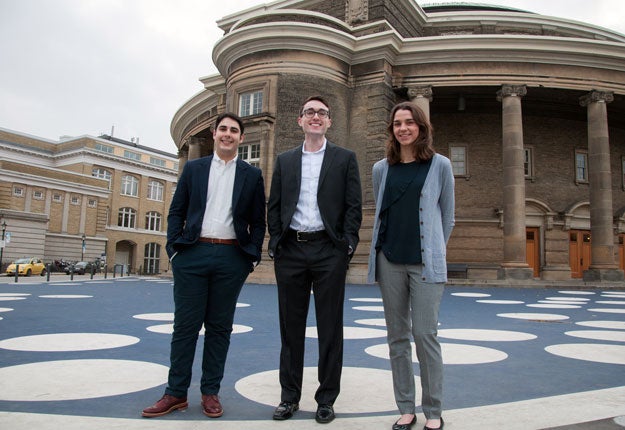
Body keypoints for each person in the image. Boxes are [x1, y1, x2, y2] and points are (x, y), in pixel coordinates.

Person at [142, 112, 266, 419]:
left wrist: (250, 257)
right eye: (223, 129)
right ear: (214, 133)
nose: (228, 134)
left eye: (234, 131)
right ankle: (175, 393)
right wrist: (174, 250)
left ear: (241, 138)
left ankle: (210, 392)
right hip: (192, 255)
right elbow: (176, 211)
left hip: (231, 257)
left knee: (219, 329)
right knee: (185, 327)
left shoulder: (251, 175)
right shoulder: (194, 169)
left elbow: (257, 221)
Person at [267, 95, 362, 424]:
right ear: (301, 120)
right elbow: (274, 204)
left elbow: (354, 207)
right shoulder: (285, 160)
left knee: (330, 328)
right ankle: (288, 397)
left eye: (322, 113)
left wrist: (347, 245)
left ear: (329, 121)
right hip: (291, 250)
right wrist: (276, 242)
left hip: (328, 251)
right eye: (310, 112)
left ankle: (326, 399)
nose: (316, 117)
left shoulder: (344, 159)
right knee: (290, 329)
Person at [367, 101, 454, 430]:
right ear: (392, 129)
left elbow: (448, 216)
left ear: (421, 127)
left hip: (425, 265)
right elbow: (382, 212)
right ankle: (406, 407)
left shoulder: (440, 165)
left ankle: (433, 410)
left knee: (425, 335)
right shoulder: (381, 169)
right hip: (389, 261)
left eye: (409, 122)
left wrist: (434, 250)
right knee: (397, 338)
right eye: (397, 123)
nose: (403, 128)